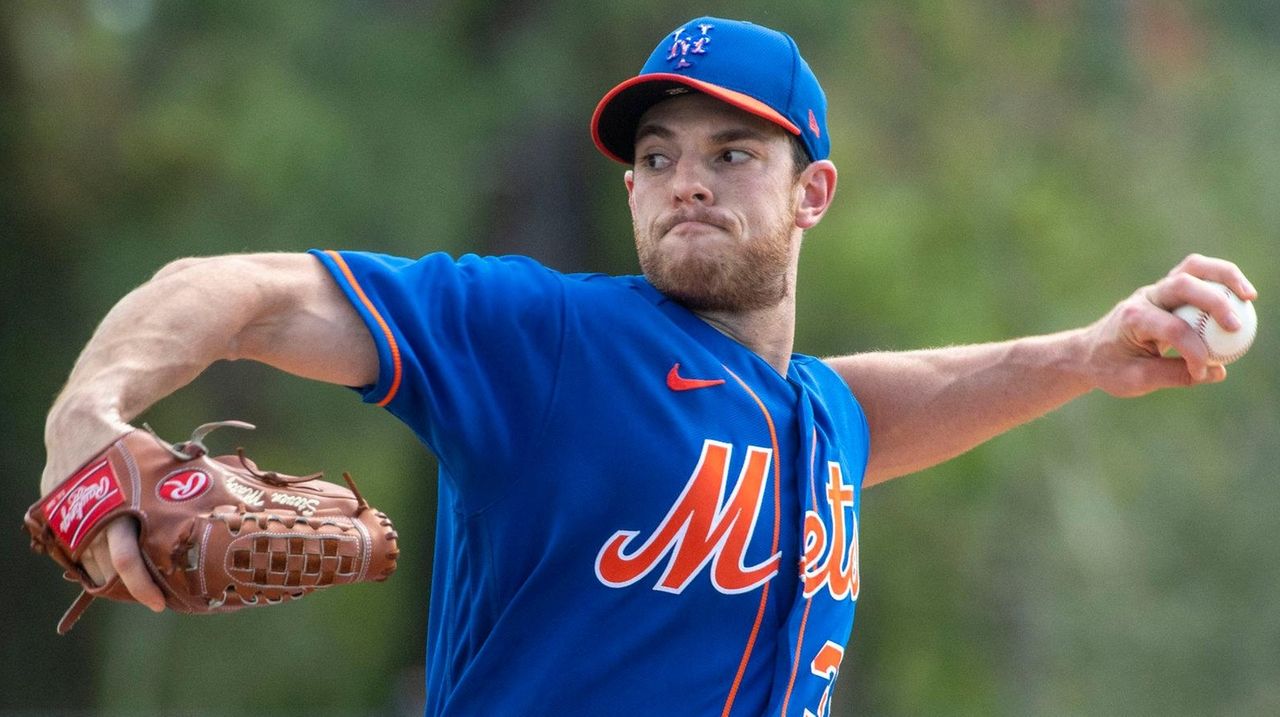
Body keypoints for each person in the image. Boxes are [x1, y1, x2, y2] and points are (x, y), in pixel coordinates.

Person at [39, 16, 1255, 717]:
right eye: (657, 154)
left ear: (810, 192)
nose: (685, 178)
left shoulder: (810, 425)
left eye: (732, 153)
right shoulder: (547, 340)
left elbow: (865, 404)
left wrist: (1084, 354)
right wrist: (86, 421)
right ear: (627, 184)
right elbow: (234, 291)